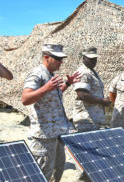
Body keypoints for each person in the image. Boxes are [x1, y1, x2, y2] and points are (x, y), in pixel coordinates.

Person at [22, 43, 81, 182]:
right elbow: (25, 99)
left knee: (57, 171)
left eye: (62, 59)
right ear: (46, 57)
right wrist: (45, 88)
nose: (61, 62)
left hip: (56, 134)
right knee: (42, 175)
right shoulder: (37, 74)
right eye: (58, 59)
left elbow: (53, 95)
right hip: (43, 138)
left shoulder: (50, 75)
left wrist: (67, 84)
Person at [72, 47, 111, 133]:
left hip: (94, 119)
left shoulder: (92, 72)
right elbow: (82, 95)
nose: (93, 61)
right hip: (86, 120)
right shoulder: (83, 73)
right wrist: (102, 101)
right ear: (84, 58)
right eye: (90, 58)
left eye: (95, 58)